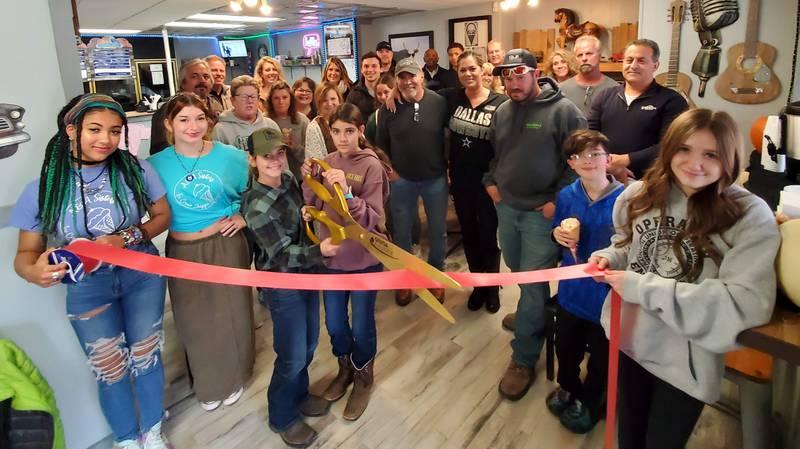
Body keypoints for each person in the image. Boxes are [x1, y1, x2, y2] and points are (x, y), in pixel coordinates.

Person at [590, 108, 780, 449]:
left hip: (685, 363)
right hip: (630, 342)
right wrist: (610, 257)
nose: (695, 164)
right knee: (628, 438)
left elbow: (743, 303)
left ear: (729, 157)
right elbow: (629, 247)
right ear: (669, 149)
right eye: (684, 149)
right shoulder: (638, 195)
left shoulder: (749, 216)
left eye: (711, 154)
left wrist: (640, 287)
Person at [10, 94, 172, 448]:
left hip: (141, 273)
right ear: (71, 130)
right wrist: (32, 271)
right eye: (95, 129)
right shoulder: (43, 188)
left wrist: (126, 237)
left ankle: (153, 431)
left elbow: (162, 216)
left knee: (146, 355)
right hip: (87, 286)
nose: (106, 140)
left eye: (115, 131)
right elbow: (25, 254)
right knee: (109, 368)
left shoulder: (136, 169)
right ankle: (127, 438)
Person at [483, 49, 586, 400]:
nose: (512, 82)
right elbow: (496, 155)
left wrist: (557, 200)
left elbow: (580, 159)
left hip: (541, 214)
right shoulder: (503, 110)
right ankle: (534, 311)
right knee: (516, 269)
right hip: (507, 207)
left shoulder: (564, 111)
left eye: (519, 74)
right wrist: (490, 182)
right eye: (506, 76)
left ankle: (523, 356)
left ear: (536, 73)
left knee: (530, 279)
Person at [147, 93, 254, 414]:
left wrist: (244, 214)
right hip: (182, 250)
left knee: (233, 313)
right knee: (194, 319)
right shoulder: (154, 165)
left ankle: (237, 375)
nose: (193, 126)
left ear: (209, 121)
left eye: (199, 118)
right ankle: (209, 382)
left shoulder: (231, 157)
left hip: (226, 243)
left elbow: (261, 187)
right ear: (169, 124)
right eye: (183, 119)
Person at [240, 127, 338, 449]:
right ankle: (281, 415)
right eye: (266, 156)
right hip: (283, 286)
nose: (275, 160)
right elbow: (280, 256)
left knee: (309, 343)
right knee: (292, 354)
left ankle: (299, 394)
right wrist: (318, 252)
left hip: (306, 274)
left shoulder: (288, 180)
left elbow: (302, 215)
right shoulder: (256, 207)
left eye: (280, 153)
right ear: (252, 160)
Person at [301, 103, 390, 421]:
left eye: (349, 131)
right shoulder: (326, 162)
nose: (341, 138)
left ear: (360, 131)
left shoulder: (371, 166)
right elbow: (313, 201)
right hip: (333, 261)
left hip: (365, 261)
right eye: (336, 131)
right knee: (336, 324)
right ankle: (345, 368)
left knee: (363, 324)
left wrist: (347, 193)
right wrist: (309, 184)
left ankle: (363, 375)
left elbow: (374, 219)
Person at [547, 130, 623, 434]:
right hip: (571, 292)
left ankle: (591, 401)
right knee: (565, 347)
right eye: (579, 156)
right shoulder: (567, 195)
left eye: (595, 153)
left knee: (602, 358)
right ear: (571, 163)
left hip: (606, 298)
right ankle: (568, 386)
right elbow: (556, 229)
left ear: (608, 158)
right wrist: (557, 235)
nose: (588, 161)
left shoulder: (626, 199)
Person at [376, 57, 449, 306]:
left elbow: (448, 137)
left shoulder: (439, 103)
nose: (408, 81)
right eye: (402, 77)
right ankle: (405, 278)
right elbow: (379, 144)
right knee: (402, 232)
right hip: (402, 180)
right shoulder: (388, 108)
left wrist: (448, 167)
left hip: (435, 179)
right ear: (396, 80)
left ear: (421, 76)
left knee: (438, 232)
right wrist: (390, 169)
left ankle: (435, 276)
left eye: (412, 75)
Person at [440, 51, 507, 313]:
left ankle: (492, 289)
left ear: (483, 70)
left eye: (472, 69)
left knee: (488, 236)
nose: (467, 74)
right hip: (460, 181)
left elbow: (507, 145)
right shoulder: (452, 98)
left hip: (488, 183)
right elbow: (418, 92)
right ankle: (478, 286)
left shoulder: (501, 103)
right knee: (469, 235)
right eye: (462, 70)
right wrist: (391, 93)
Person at [588, 39, 689, 181]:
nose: (633, 66)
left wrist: (625, 160)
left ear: (655, 65)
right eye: (629, 60)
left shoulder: (672, 101)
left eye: (641, 61)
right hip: (604, 176)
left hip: (650, 182)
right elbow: (590, 135)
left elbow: (672, 144)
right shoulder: (604, 96)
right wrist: (607, 163)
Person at [149, 58, 223, 154]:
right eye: (194, 76)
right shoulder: (168, 109)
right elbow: (159, 149)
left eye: (206, 76)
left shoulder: (216, 105)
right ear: (183, 83)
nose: (202, 80)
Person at [212, 75, 280, 150]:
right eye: (244, 97)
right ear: (232, 100)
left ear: (258, 99)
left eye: (253, 96)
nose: (250, 101)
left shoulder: (271, 125)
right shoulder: (220, 130)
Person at [559, 36, 618, 115]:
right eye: (579, 55)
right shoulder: (562, 90)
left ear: (600, 55)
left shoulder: (614, 90)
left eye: (589, 54)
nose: (584, 58)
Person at [265, 81, 309, 179]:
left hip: (299, 176)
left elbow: (310, 154)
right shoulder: (264, 121)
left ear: (291, 99)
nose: (281, 101)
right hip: (273, 176)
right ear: (270, 100)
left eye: (285, 97)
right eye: (276, 98)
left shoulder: (302, 120)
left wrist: (295, 148)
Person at [304, 83, 343, 160]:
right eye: (324, 100)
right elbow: (317, 161)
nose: (329, 104)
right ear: (318, 103)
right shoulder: (314, 127)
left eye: (333, 99)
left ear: (339, 100)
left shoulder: (349, 119)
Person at [346, 52, 382, 121]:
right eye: (366, 66)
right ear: (361, 70)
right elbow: (348, 119)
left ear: (381, 68)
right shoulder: (354, 94)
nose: (370, 70)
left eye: (374, 66)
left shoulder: (391, 90)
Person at [364, 73, 395, 145]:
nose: (383, 97)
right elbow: (369, 144)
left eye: (386, 92)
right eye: (379, 94)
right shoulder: (374, 119)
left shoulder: (405, 111)